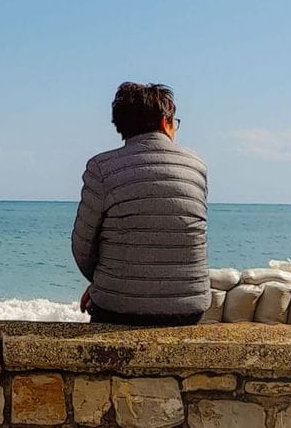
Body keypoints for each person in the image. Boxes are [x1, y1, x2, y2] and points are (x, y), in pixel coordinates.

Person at [71, 82, 209, 326]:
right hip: (188, 310)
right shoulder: (196, 166)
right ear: (165, 122)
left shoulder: (101, 168)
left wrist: (107, 284)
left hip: (118, 309)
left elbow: (83, 246)